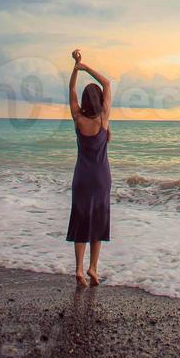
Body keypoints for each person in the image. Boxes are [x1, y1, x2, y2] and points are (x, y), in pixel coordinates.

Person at [66, 49, 112, 287]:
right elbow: (106, 82)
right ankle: (94, 269)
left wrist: (76, 66)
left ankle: (79, 270)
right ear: (100, 100)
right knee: (98, 222)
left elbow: (71, 91)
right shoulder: (104, 118)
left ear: (84, 102)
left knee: (82, 220)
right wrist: (87, 68)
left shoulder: (78, 119)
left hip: (81, 178)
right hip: (101, 178)